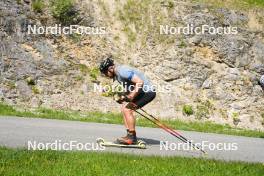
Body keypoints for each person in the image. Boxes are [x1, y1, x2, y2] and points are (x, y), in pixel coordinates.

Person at [99, 56, 156, 145]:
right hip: (141, 92)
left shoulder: (122, 71)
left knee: (127, 109)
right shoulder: (117, 76)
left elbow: (139, 82)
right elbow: (129, 88)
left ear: (110, 68)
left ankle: (132, 138)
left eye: (105, 73)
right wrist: (122, 98)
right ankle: (129, 134)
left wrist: (131, 96)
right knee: (124, 107)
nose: (106, 75)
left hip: (148, 92)